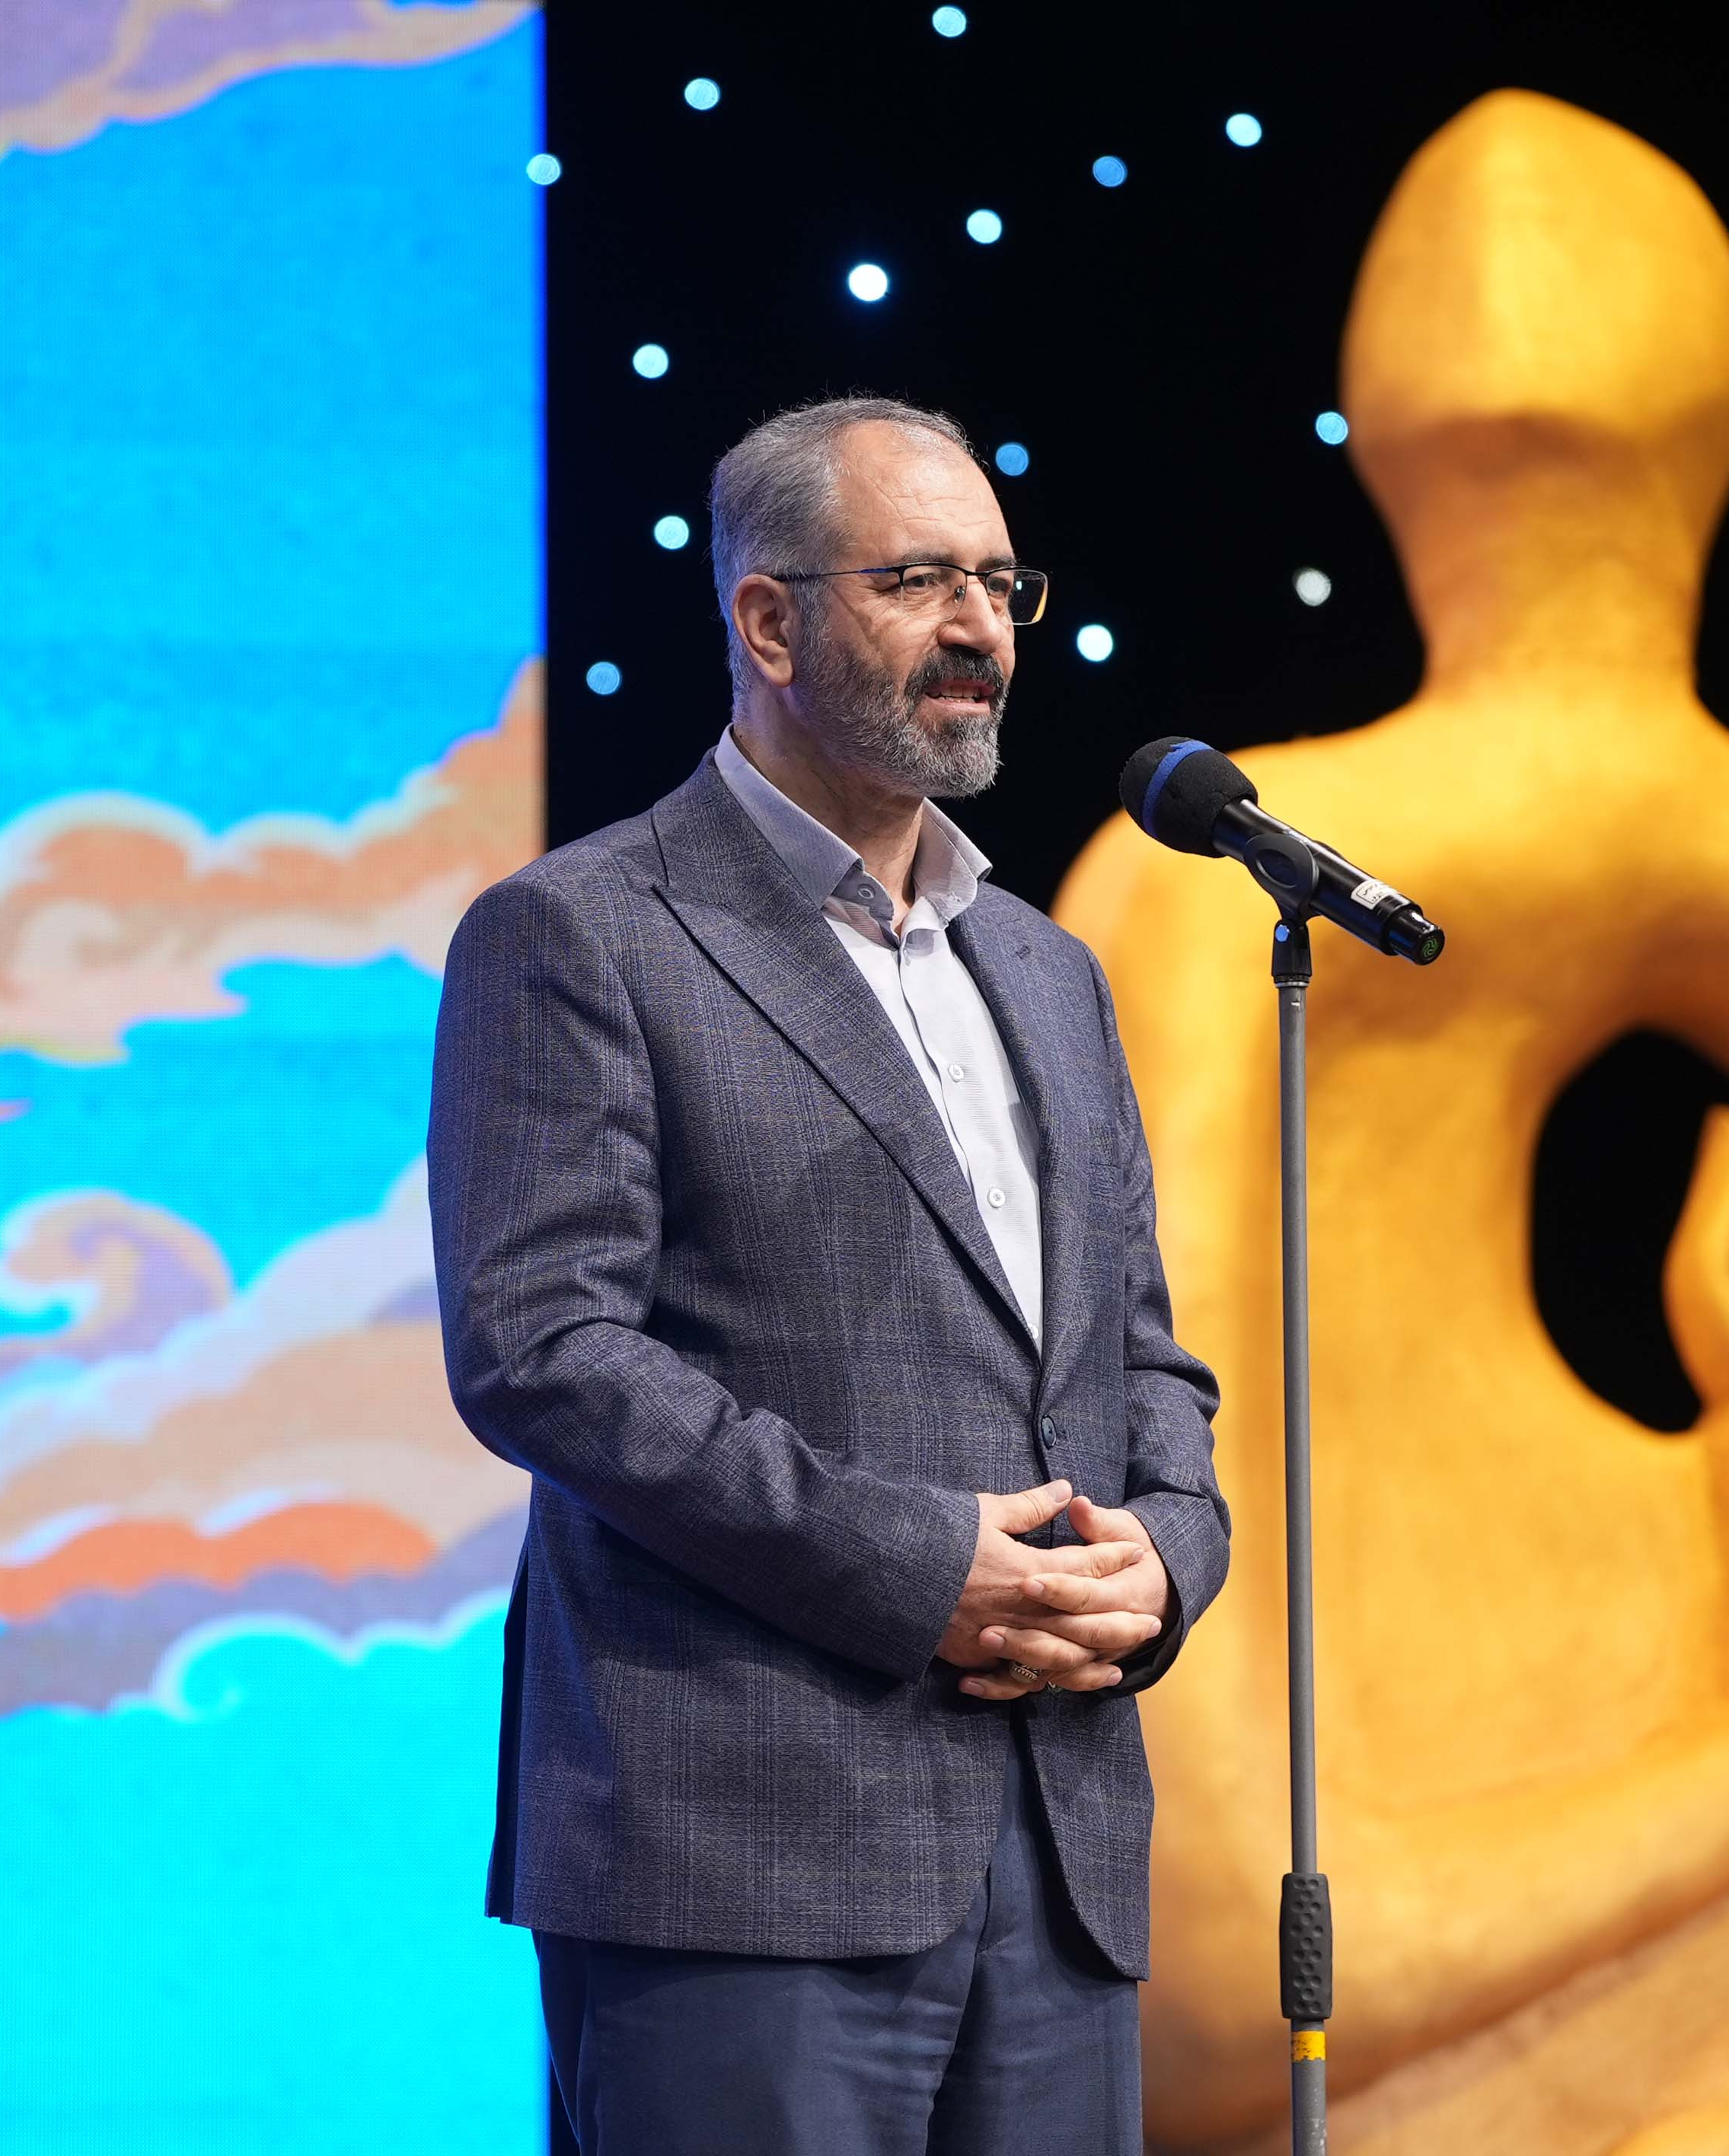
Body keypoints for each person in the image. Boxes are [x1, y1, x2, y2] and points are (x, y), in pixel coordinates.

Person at [428, 397, 1230, 2154]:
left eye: (1000, 586)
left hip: (1057, 1849)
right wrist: (915, 1563)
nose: (977, 630)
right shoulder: (583, 933)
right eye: (918, 580)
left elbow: (1138, 1358)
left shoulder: (1047, 972)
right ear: (767, 620)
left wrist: (1167, 1558)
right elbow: (540, 1348)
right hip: (737, 1851)